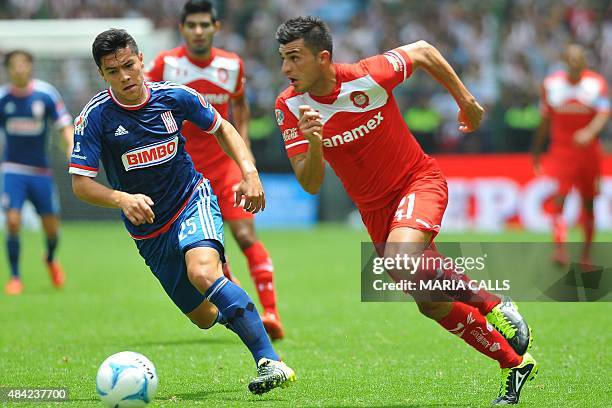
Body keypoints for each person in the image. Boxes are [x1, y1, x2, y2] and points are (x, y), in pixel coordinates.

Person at [274, 17, 536, 405]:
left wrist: (464, 99)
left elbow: (425, 51)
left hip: (418, 181)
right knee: (431, 303)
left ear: (323, 57)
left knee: (402, 258)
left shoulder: (367, 75)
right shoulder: (290, 106)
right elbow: (310, 182)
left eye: (294, 58)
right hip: (375, 212)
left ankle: (494, 304)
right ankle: (514, 364)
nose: (286, 69)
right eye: (283, 59)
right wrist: (314, 142)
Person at [69, 28, 295, 394]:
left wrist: (248, 172)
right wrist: (122, 199)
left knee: (203, 272)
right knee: (204, 317)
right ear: (102, 74)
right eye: (114, 71)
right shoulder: (96, 117)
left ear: (141, 60)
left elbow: (223, 127)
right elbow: (81, 184)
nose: (125, 76)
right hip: (149, 232)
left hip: (192, 199)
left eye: (129, 65)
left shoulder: (175, 96)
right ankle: (237, 308)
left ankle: (271, 362)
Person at [146, 0, 285, 340]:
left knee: (246, 235)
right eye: (191, 25)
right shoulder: (166, 64)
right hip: (183, 172)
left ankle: (271, 312)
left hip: (224, 168)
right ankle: (240, 302)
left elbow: (240, 105)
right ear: (182, 29)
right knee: (206, 245)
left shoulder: (231, 65)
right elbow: (143, 100)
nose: (198, 31)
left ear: (215, 28)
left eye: (204, 25)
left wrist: (245, 155)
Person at [0, 50, 73, 295]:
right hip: (12, 170)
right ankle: (15, 277)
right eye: (14, 65)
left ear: (31, 67)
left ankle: (50, 258)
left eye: (24, 64)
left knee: (52, 229)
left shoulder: (45, 94)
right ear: (8, 69)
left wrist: (71, 148)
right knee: (12, 221)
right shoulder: (3, 99)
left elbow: (64, 125)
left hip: (41, 171)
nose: (19, 68)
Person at [532, 44, 610, 266]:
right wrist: (536, 152)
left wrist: (590, 132)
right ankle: (559, 249)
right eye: (571, 59)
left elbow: (604, 113)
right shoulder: (551, 85)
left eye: (579, 59)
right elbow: (545, 121)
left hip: (589, 153)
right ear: (565, 61)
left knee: (588, 202)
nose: (575, 63)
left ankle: (586, 255)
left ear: (584, 62)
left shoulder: (596, 84)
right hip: (562, 151)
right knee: (560, 197)